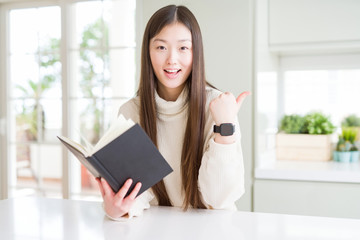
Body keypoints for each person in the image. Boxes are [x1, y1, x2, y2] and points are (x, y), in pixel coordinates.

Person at [96, 4, 250, 221]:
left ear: (196, 52)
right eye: (161, 48)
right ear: (147, 52)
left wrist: (224, 127)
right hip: (156, 230)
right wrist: (117, 210)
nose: (172, 60)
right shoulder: (131, 111)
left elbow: (219, 199)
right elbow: (137, 195)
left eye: (183, 48)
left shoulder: (218, 107)